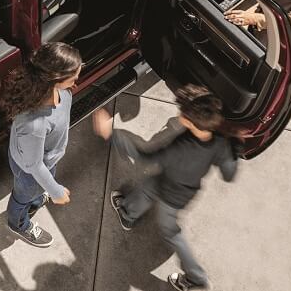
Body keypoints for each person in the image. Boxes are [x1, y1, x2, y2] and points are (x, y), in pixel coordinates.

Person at [93, 85, 237, 291]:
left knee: (170, 231)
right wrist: (235, 146)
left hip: (171, 196)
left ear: (190, 122)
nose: (179, 115)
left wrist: (111, 134)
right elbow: (229, 174)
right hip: (185, 189)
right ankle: (127, 212)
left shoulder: (179, 148)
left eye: (183, 114)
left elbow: (145, 157)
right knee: (148, 187)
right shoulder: (221, 142)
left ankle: (197, 279)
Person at [0, 42, 82, 248]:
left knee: (36, 190)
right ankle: (18, 224)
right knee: (22, 197)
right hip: (30, 170)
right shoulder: (35, 123)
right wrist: (55, 191)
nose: (77, 79)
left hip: (45, 159)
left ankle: (36, 198)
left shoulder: (60, 91)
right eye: (73, 76)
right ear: (56, 78)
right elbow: (34, 165)